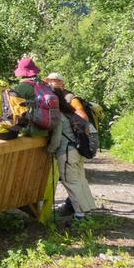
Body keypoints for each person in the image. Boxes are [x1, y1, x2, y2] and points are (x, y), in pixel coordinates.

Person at [48, 88, 97, 221]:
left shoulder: (58, 116)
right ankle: (88, 210)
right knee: (81, 180)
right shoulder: (70, 113)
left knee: (71, 182)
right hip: (78, 151)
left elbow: (56, 140)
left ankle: (80, 215)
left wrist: (50, 150)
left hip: (67, 153)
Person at [13, 57, 51, 137]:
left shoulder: (22, 87)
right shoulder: (44, 84)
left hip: (32, 130)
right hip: (48, 128)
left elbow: (15, 109)